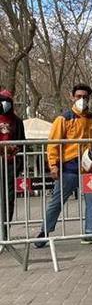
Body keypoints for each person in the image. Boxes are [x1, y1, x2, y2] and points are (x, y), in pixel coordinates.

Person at [35, 84, 92, 247]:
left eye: (85, 97)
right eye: (79, 96)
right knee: (57, 201)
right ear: (72, 97)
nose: (82, 100)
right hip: (69, 168)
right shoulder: (63, 119)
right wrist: (53, 165)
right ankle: (44, 233)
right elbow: (53, 143)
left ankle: (91, 233)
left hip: (89, 168)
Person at [0, 89, 25, 224]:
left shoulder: (17, 121)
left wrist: (18, 163)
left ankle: (5, 229)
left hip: (10, 165)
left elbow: (22, 143)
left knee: (8, 198)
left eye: (7, 101)